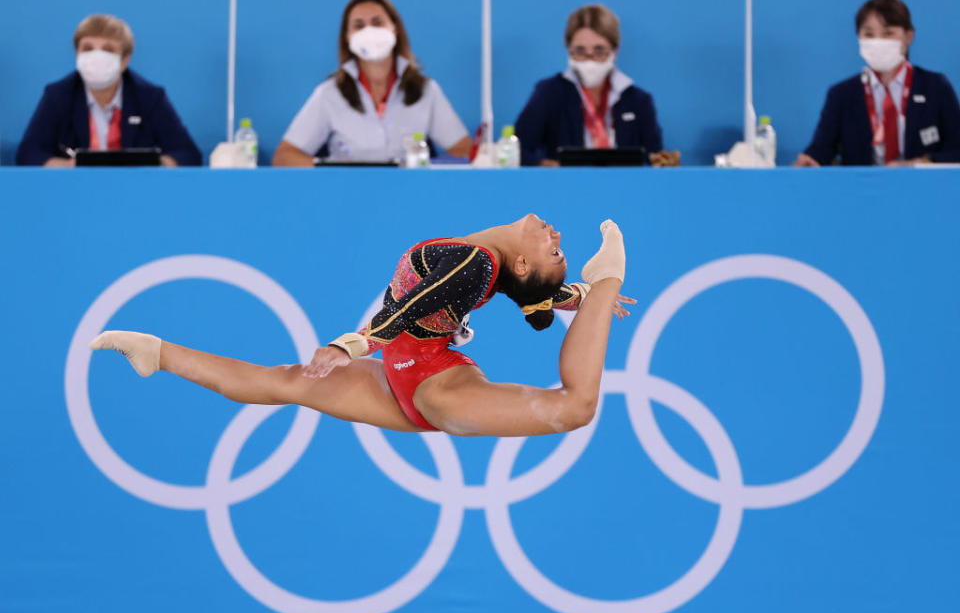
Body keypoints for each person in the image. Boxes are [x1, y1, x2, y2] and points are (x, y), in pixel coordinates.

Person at [90, 216, 636, 437]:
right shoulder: (490, 265)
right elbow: (536, 295)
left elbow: (405, 307)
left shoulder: (482, 264)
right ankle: (156, 352)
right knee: (280, 381)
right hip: (407, 374)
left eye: (555, 250)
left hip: (432, 385)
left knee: (575, 407)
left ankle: (607, 274)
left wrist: (350, 344)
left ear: (521, 264)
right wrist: (574, 296)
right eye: (560, 247)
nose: (555, 234)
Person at [273, 0, 472, 166]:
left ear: (394, 28)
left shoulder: (426, 90)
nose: (369, 31)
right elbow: (284, 157)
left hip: (411, 195)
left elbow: (463, 150)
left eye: (377, 22)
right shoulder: (330, 93)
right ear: (347, 37)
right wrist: (332, 169)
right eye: (359, 26)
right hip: (347, 196)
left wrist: (420, 166)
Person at [16, 14, 202, 167]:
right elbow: (28, 154)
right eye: (88, 49)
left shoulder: (150, 97)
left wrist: (152, 163)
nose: (96, 57)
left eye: (108, 50)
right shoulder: (58, 95)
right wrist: (68, 166)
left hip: (138, 192)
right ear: (77, 55)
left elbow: (188, 154)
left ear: (124, 60)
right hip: (74, 192)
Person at [794, 0, 960, 167]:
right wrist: (809, 162)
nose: (878, 42)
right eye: (869, 34)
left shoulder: (935, 87)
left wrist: (922, 163)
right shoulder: (842, 94)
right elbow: (821, 150)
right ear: (859, 38)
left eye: (888, 34)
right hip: (862, 189)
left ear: (908, 36)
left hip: (923, 188)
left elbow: (956, 149)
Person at [514, 4, 673, 167]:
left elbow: (655, 158)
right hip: (567, 187)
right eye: (580, 51)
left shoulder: (638, 100)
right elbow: (518, 150)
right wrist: (545, 165)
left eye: (599, 50)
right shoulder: (549, 93)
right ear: (569, 50)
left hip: (625, 187)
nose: (589, 60)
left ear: (615, 50)